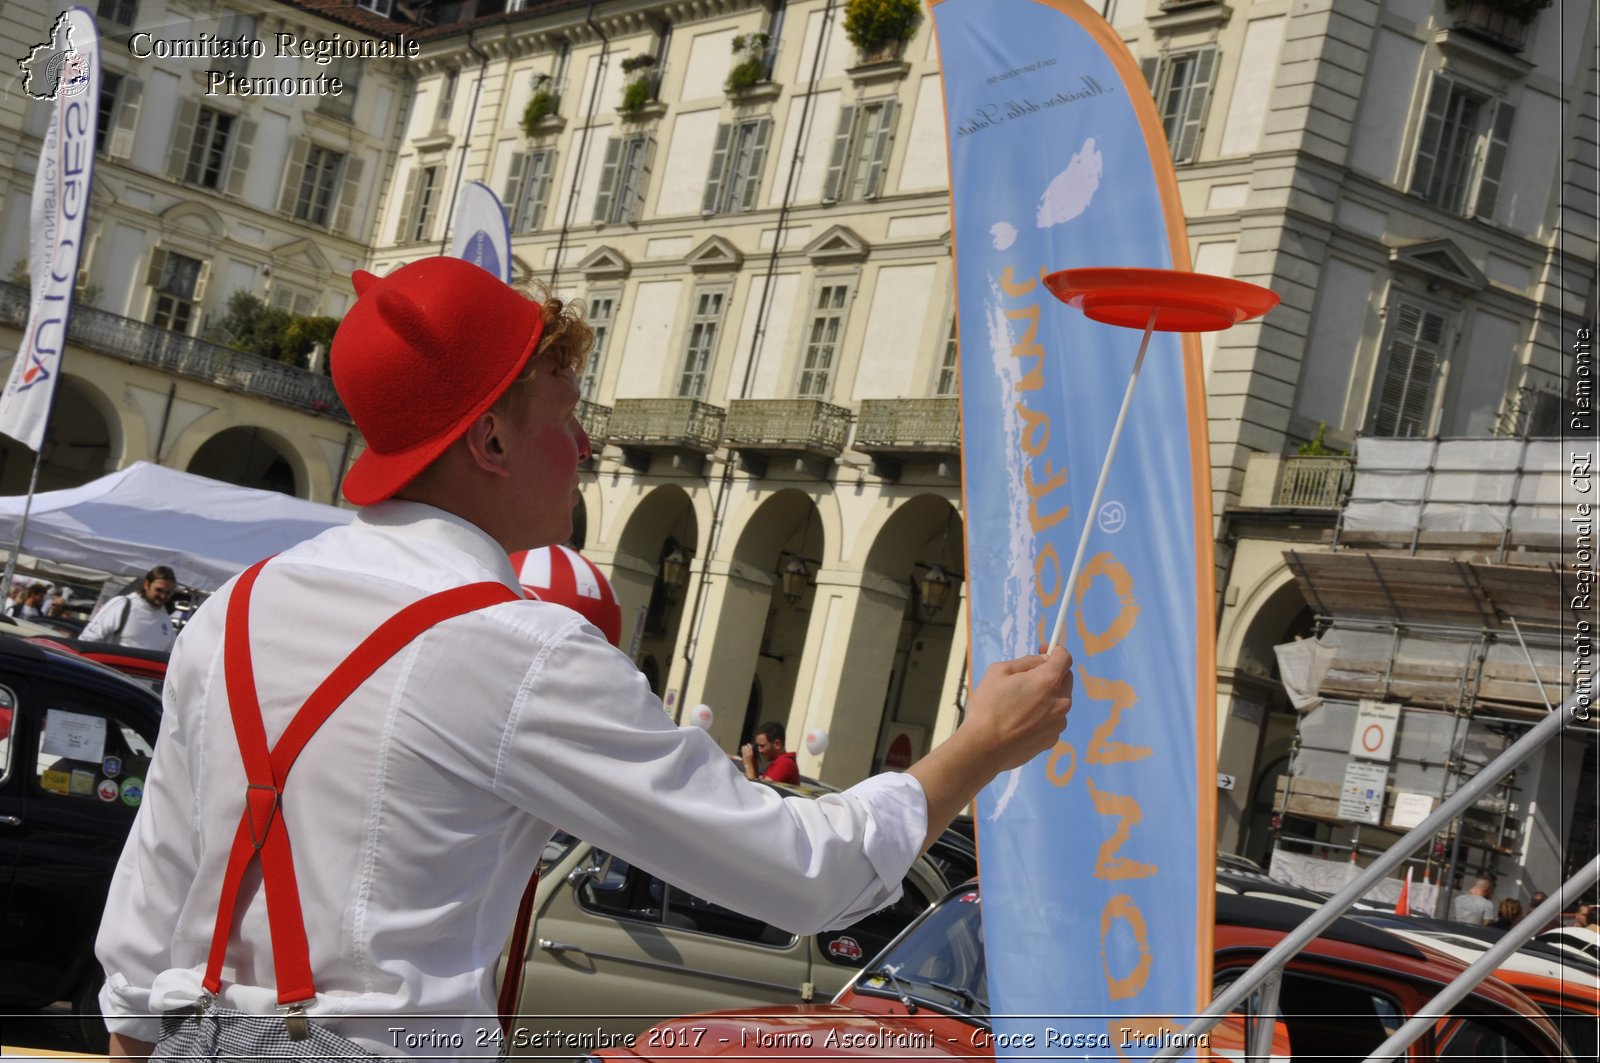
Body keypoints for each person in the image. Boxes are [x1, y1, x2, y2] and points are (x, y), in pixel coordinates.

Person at [95, 257, 1076, 1062]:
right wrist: (978, 746)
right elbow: (803, 873)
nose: (587, 442)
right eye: (565, 415)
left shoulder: (235, 610)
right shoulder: (516, 648)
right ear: (487, 437)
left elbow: (145, 927)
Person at [81, 567, 178, 650]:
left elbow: (171, 653)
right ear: (146, 584)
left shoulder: (165, 619)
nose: (163, 596)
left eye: (168, 592)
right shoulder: (123, 604)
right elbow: (88, 639)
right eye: (159, 590)